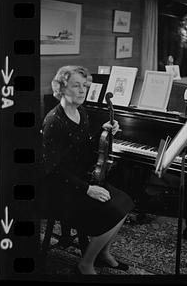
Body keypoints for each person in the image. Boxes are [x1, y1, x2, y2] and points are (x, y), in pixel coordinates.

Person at [41, 65, 135, 275]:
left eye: (85, 86)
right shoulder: (54, 122)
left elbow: (83, 150)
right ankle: (86, 262)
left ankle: (104, 252)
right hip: (60, 188)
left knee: (125, 202)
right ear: (61, 88)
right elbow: (52, 170)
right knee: (113, 208)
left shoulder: (80, 112)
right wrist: (87, 189)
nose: (83, 90)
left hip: (81, 179)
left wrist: (104, 132)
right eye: (76, 85)